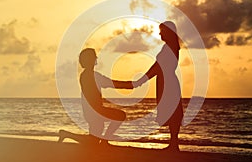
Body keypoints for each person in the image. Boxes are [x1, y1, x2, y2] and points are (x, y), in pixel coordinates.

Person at [58, 48, 133, 146]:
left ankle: (66, 134)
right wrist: (130, 84)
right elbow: (112, 83)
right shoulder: (93, 76)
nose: (95, 58)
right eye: (93, 57)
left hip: (91, 112)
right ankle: (105, 141)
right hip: (95, 112)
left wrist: (129, 85)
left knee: (93, 141)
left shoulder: (85, 75)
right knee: (120, 115)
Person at [133, 21, 183, 151]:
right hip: (166, 81)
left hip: (168, 82)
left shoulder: (170, 47)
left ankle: (174, 144)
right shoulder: (170, 46)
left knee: (173, 112)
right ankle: (173, 144)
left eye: (162, 30)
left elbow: (158, 67)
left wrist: (142, 80)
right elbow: (157, 66)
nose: (159, 33)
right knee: (171, 111)